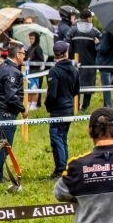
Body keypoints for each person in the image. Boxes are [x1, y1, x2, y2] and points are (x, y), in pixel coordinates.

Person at [0, 42, 26, 191]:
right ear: (18, 54)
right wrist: (23, 109)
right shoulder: (12, 72)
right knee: (5, 145)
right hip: (6, 111)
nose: (25, 56)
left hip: (0, 110)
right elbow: (11, 96)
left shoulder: (3, 67)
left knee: (3, 143)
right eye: (23, 53)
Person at [45, 40, 80, 177]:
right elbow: (76, 91)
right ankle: (63, 166)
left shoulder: (54, 71)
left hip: (58, 111)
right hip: (69, 108)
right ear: (66, 53)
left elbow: (52, 94)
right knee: (62, 138)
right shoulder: (74, 70)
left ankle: (60, 169)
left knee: (56, 138)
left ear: (55, 54)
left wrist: (48, 104)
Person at [68, 9, 101, 111]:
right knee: (89, 87)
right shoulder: (95, 31)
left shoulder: (73, 30)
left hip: (75, 63)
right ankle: (84, 107)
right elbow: (101, 45)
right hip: (90, 63)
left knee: (74, 85)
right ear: (88, 18)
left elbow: (67, 44)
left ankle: (75, 106)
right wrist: (98, 44)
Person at [24, 31, 45, 111]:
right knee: (29, 89)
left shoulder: (38, 48)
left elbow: (41, 60)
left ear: (36, 39)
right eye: (30, 39)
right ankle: (29, 103)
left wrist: (32, 61)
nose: (31, 40)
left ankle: (34, 104)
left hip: (35, 72)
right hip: (28, 71)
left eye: (32, 38)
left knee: (34, 89)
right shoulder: (30, 48)